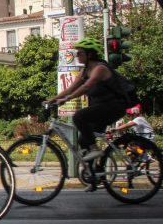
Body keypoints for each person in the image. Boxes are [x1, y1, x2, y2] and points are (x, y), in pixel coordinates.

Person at [44, 38, 126, 190]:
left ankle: (95, 150)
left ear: (89, 55)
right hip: (102, 108)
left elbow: (85, 87)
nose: (76, 56)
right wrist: (53, 99)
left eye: (79, 53)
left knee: (79, 116)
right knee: (83, 140)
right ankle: (94, 177)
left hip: (114, 107)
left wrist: (66, 100)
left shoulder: (100, 69)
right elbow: (70, 88)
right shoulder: (84, 71)